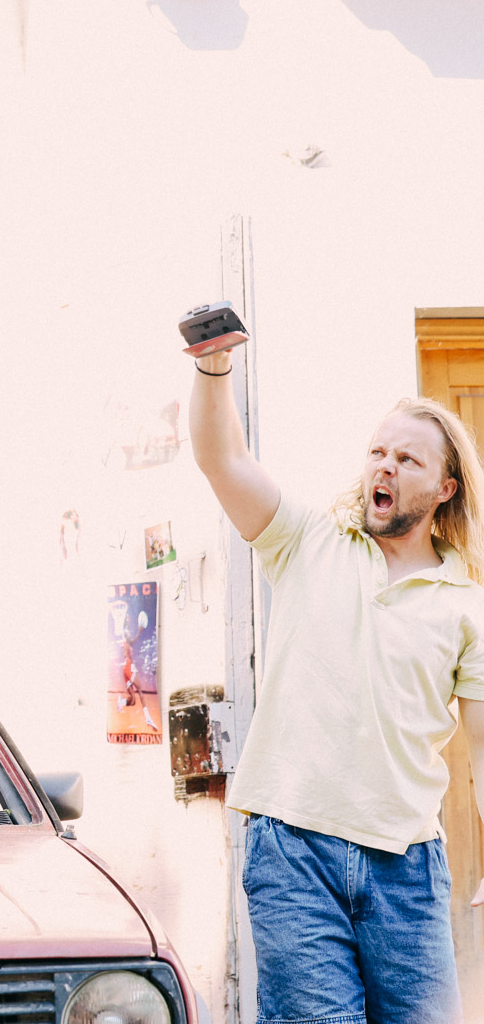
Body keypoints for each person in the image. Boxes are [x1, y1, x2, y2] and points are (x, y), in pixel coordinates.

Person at [189, 340, 484, 1024]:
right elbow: (222, 459)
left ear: (445, 488)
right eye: (378, 452)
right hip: (294, 853)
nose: (385, 466)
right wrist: (212, 366)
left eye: (407, 459)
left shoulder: (466, 606)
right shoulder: (306, 542)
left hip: (407, 868)